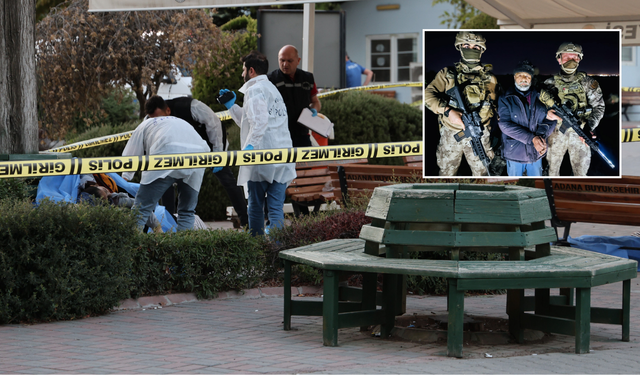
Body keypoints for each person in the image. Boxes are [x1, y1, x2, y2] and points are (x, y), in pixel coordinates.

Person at [219, 51, 296, 236]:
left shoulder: (254, 90)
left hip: (261, 159)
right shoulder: (272, 89)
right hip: (282, 158)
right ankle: (275, 251)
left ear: (251, 71)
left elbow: (259, 123)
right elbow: (250, 121)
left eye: (243, 69)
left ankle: (257, 250)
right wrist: (231, 107)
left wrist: (250, 147)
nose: (242, 74)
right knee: (276, 209)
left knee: (255, 207)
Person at [122, 95, 210, 231]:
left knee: (141, 210)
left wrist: (125, 177)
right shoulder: (179, 121)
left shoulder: (145, 124)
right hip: (199, 156)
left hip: (165, 154)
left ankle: (132, 250)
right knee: (187, 212)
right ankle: (183, 251)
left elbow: (131, 155)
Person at [163, 96, 248, 228]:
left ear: (167, 110)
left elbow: (214, 124)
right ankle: (169, 224)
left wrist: (218, 154)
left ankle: (246, 221)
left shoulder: (192, 106)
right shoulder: (152, 119)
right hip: (184, 151)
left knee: (228, 181)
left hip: (209, 146)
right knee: (165, 179)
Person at [424, 31, 498, 176]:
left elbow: (493, 103)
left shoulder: (490, 78)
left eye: (476, 47)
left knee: (483, 174)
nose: (471, 49)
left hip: (480, 133)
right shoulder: (447, 74)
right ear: (459, 47)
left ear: (481, 50)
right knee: (446, 174)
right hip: (452, 133)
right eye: (466, 45)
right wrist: (447, 111)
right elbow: (427, 95)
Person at [543, 42, 605, 176]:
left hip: (581, 132)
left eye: (575, 57)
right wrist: (546, 113)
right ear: (559, 59)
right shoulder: (549, 83)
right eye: (567, 58)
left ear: (580, 59)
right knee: (552, 171)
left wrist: (589, 127)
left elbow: (599, 107)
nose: (571, 61)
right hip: (556, 132)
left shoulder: (588, 83)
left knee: (581, 173)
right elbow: (538, 107)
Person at [498, 60, 558, 177]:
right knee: (515, 186)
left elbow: (551, 118)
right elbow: (504, 125)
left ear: (531, 78)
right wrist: (532, 139)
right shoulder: (505, 98)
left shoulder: (542, 97)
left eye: (527, 76)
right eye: (520, 75)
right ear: (514, 77)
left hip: (536, 153)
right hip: (515, 154)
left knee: (536, 185)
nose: (523, 79)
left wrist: (541, 137)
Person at [267, 45, 321, 147]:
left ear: (298, 60)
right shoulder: (270, 80)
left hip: (302, 134)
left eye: (289, 61)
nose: (285, 64)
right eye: (282, 60)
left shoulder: (307, 78)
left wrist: (314, 111)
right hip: (279, 136)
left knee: (305, 163)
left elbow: (315, 101)